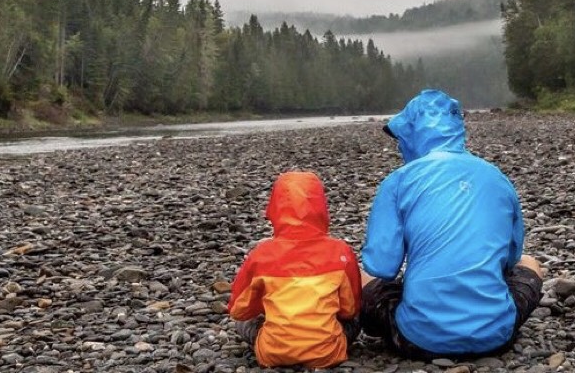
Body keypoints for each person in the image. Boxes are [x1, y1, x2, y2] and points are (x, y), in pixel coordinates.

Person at [360, 89, 545, 360]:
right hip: (495, 336)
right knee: (530, 263)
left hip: (418, 340)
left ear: (411, 135)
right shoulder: (497, 177)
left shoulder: (398, 181)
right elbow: (511, 258)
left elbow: (381, 267)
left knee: (361, 276)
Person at [227, 171, 362, 369]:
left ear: (275, 207)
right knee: (357, 315)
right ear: (321, 207)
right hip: (328, 352)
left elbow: (238, 310)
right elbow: (349, 310)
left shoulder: (261, 254)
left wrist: (272, 306)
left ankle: (281, 341)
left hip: (273, 352)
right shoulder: (340, 251)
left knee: (244, 323)